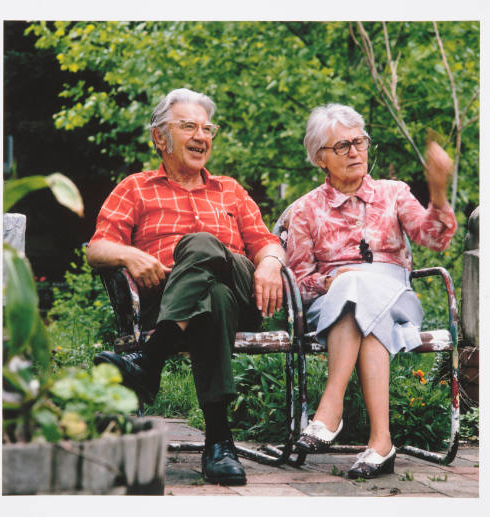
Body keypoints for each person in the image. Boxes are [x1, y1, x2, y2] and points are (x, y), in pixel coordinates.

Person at [87, 88, 286, 486]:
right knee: (210, 297)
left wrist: (270, 264)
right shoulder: (135, 188)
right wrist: (129, 255)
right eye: (188, 126)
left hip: (240, 282)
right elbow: (97, 248)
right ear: (160, 138)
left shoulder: (230, 189)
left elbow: (266, 241)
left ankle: (149, 361)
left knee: (201, 243)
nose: (202, 136)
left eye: (206, 128)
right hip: (172, 297)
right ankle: (219, 442)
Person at [286, 103, 456, 479]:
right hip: (333, 305)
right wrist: (330, 281)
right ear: (320, 159)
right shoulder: (304, 211)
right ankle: (381, 443)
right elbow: (298, 282)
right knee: (355, 292)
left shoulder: (393, 193)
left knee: (360, 285)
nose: (354, 152)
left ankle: (330, 409)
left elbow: (433, 238)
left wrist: (439, 191)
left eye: (359, 142)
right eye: (342, 146)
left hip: (396, 297)